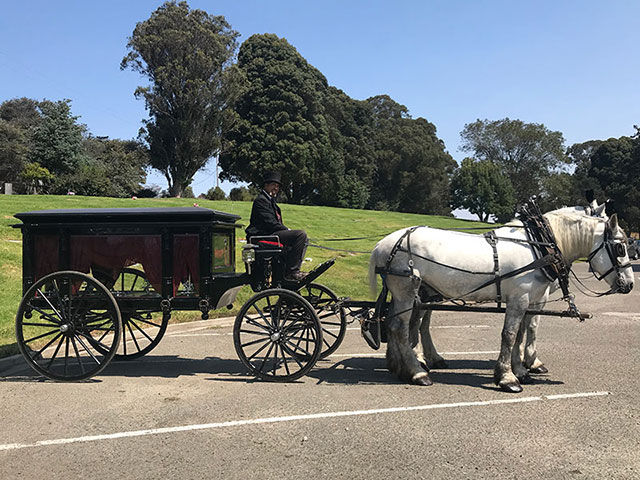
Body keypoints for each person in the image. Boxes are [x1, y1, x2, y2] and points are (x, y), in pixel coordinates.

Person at [245, 171, 308, 281]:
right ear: (266, 185)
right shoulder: (261, 201)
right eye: (273, 185)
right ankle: (292, 271)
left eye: (277, 186)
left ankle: (286, 273)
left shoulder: (272, 203)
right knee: (300, 235)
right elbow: (270, 223)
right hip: (262, 236)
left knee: (304, 240)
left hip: (272, 233)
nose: (276, 188)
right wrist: (287, 230)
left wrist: (286, 231)